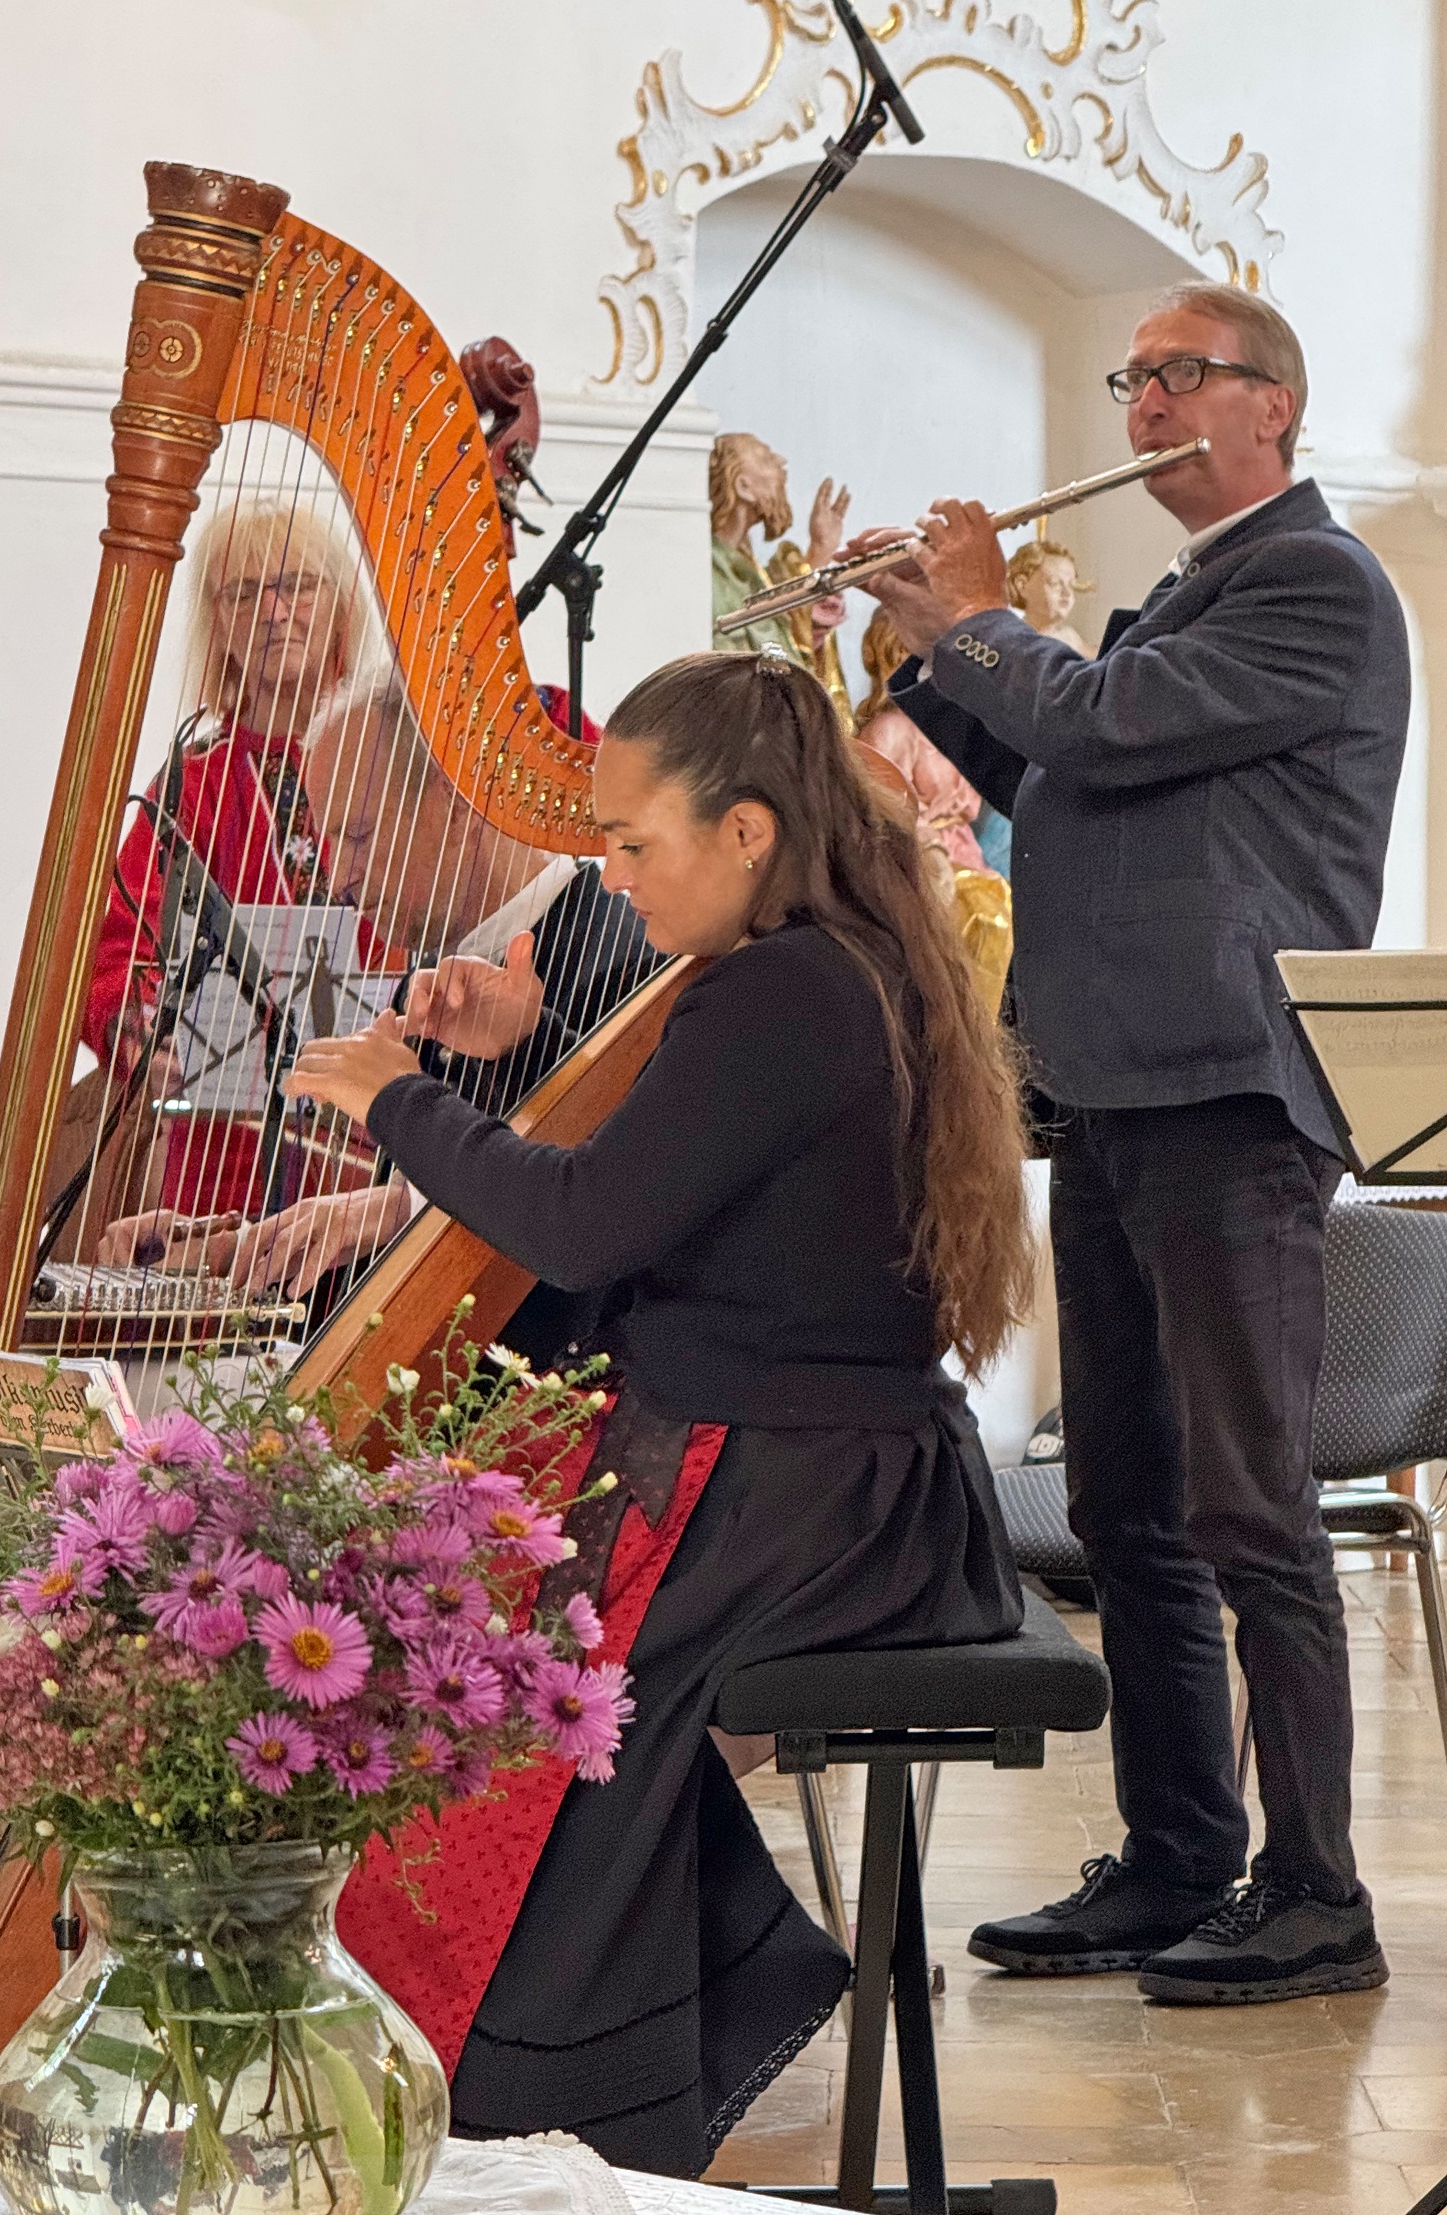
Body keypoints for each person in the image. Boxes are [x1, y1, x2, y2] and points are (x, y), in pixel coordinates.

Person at [283, 648, 1033, 2173]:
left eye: (632, 844)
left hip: (802, 1497)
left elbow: (583, 1229)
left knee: (474, 1705)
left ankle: (539, 2093)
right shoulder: (812, 966)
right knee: (445, 1644)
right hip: (809, 1469)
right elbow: (677, 1183)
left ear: (746, 829)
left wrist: (397, 1095)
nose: (611, 878)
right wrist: (517, 1056)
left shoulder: (784, 990)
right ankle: (567, 2053)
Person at [848, 280, 1410, 2005]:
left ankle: (1316, 1894)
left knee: (1249, 1507)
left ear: (1275, 411)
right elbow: (1037, 759)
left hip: (1228, 1092)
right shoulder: (1181, 599)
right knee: (1126, 1505)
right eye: (1134, 378)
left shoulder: (1315, 581)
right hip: (1105, 1084)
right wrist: (907, 646)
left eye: (1182, 377)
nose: (1146, 403)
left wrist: (989, 619)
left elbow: (1092, 723)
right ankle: (1179, 1857)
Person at [100, 677, 659, 1306]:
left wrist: (397, 1209)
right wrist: (243, 1251)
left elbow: (584, 1239)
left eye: (357, 836)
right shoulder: (419, 986)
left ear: (452, 805)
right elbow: (395, 1268)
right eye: (328, 841)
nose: (338, 878)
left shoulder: (624, 963)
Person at [78, 497, 366, 1235]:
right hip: (224, 1163)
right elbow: (112, 954)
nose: (273, 611)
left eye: (297, 585)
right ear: (220, 622)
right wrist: (146, 1031)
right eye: (243, 593)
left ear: (340, 605)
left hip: (382, 1157)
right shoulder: (190, 784)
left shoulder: (394, 764)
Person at [709, 433, 852, 719]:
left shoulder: (749, 572)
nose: (781, 461)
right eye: (765, 457)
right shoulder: (709, 572)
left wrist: (821, 551)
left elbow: (787, 641)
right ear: (744, 487)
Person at [855, 607, 988, 874]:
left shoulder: (950, 722)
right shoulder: (889, 731)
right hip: (919, 865)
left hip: (966, 853)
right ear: (904, 655)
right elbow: (883, 817)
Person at [1004, 537, 1094, 658]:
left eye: (1071, 585)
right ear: (1022, 586)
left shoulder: (1071, 637)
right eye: (1055, 583)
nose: (1066, 593)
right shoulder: (1015, 639)